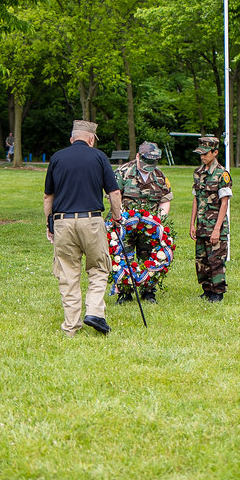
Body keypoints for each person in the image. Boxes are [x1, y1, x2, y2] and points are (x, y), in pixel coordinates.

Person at [43, 120, 123, 336]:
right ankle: (95, 311)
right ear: (90, 139)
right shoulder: (99, 157)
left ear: (72, 139)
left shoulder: (57, 157)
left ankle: (70, 327)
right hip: (92, 221)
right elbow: (114, 193)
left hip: (63, 222)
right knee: (98, 267)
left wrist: (50, 224)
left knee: (68, 273)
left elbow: (48, 196)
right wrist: (117, 217)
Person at [114, 141, 174, 304]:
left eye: (153, 162)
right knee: (124, 255)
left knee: (149, 256)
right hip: (125, 223)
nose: (149, 166)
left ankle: (148, 291)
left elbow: (165, 199)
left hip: (149, 226)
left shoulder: (160, 176)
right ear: (138, 156)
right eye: (147, 161)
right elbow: (115, 195)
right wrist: (120, 216)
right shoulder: (124, 172)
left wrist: (159, 219)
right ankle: (125, 292)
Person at [189, 136, 232, 302]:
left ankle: (217, 293)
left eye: (205, 154)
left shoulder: (222, 174)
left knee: (216, 260)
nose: (202, 157)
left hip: (215, 225)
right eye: (200, 154)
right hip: (201, 225)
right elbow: (196, 199)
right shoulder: (198, 173)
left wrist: (217, 229)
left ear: (215, 152)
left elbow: (224, 203)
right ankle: (206, 290)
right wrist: (192, 223)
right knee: (202, 260)